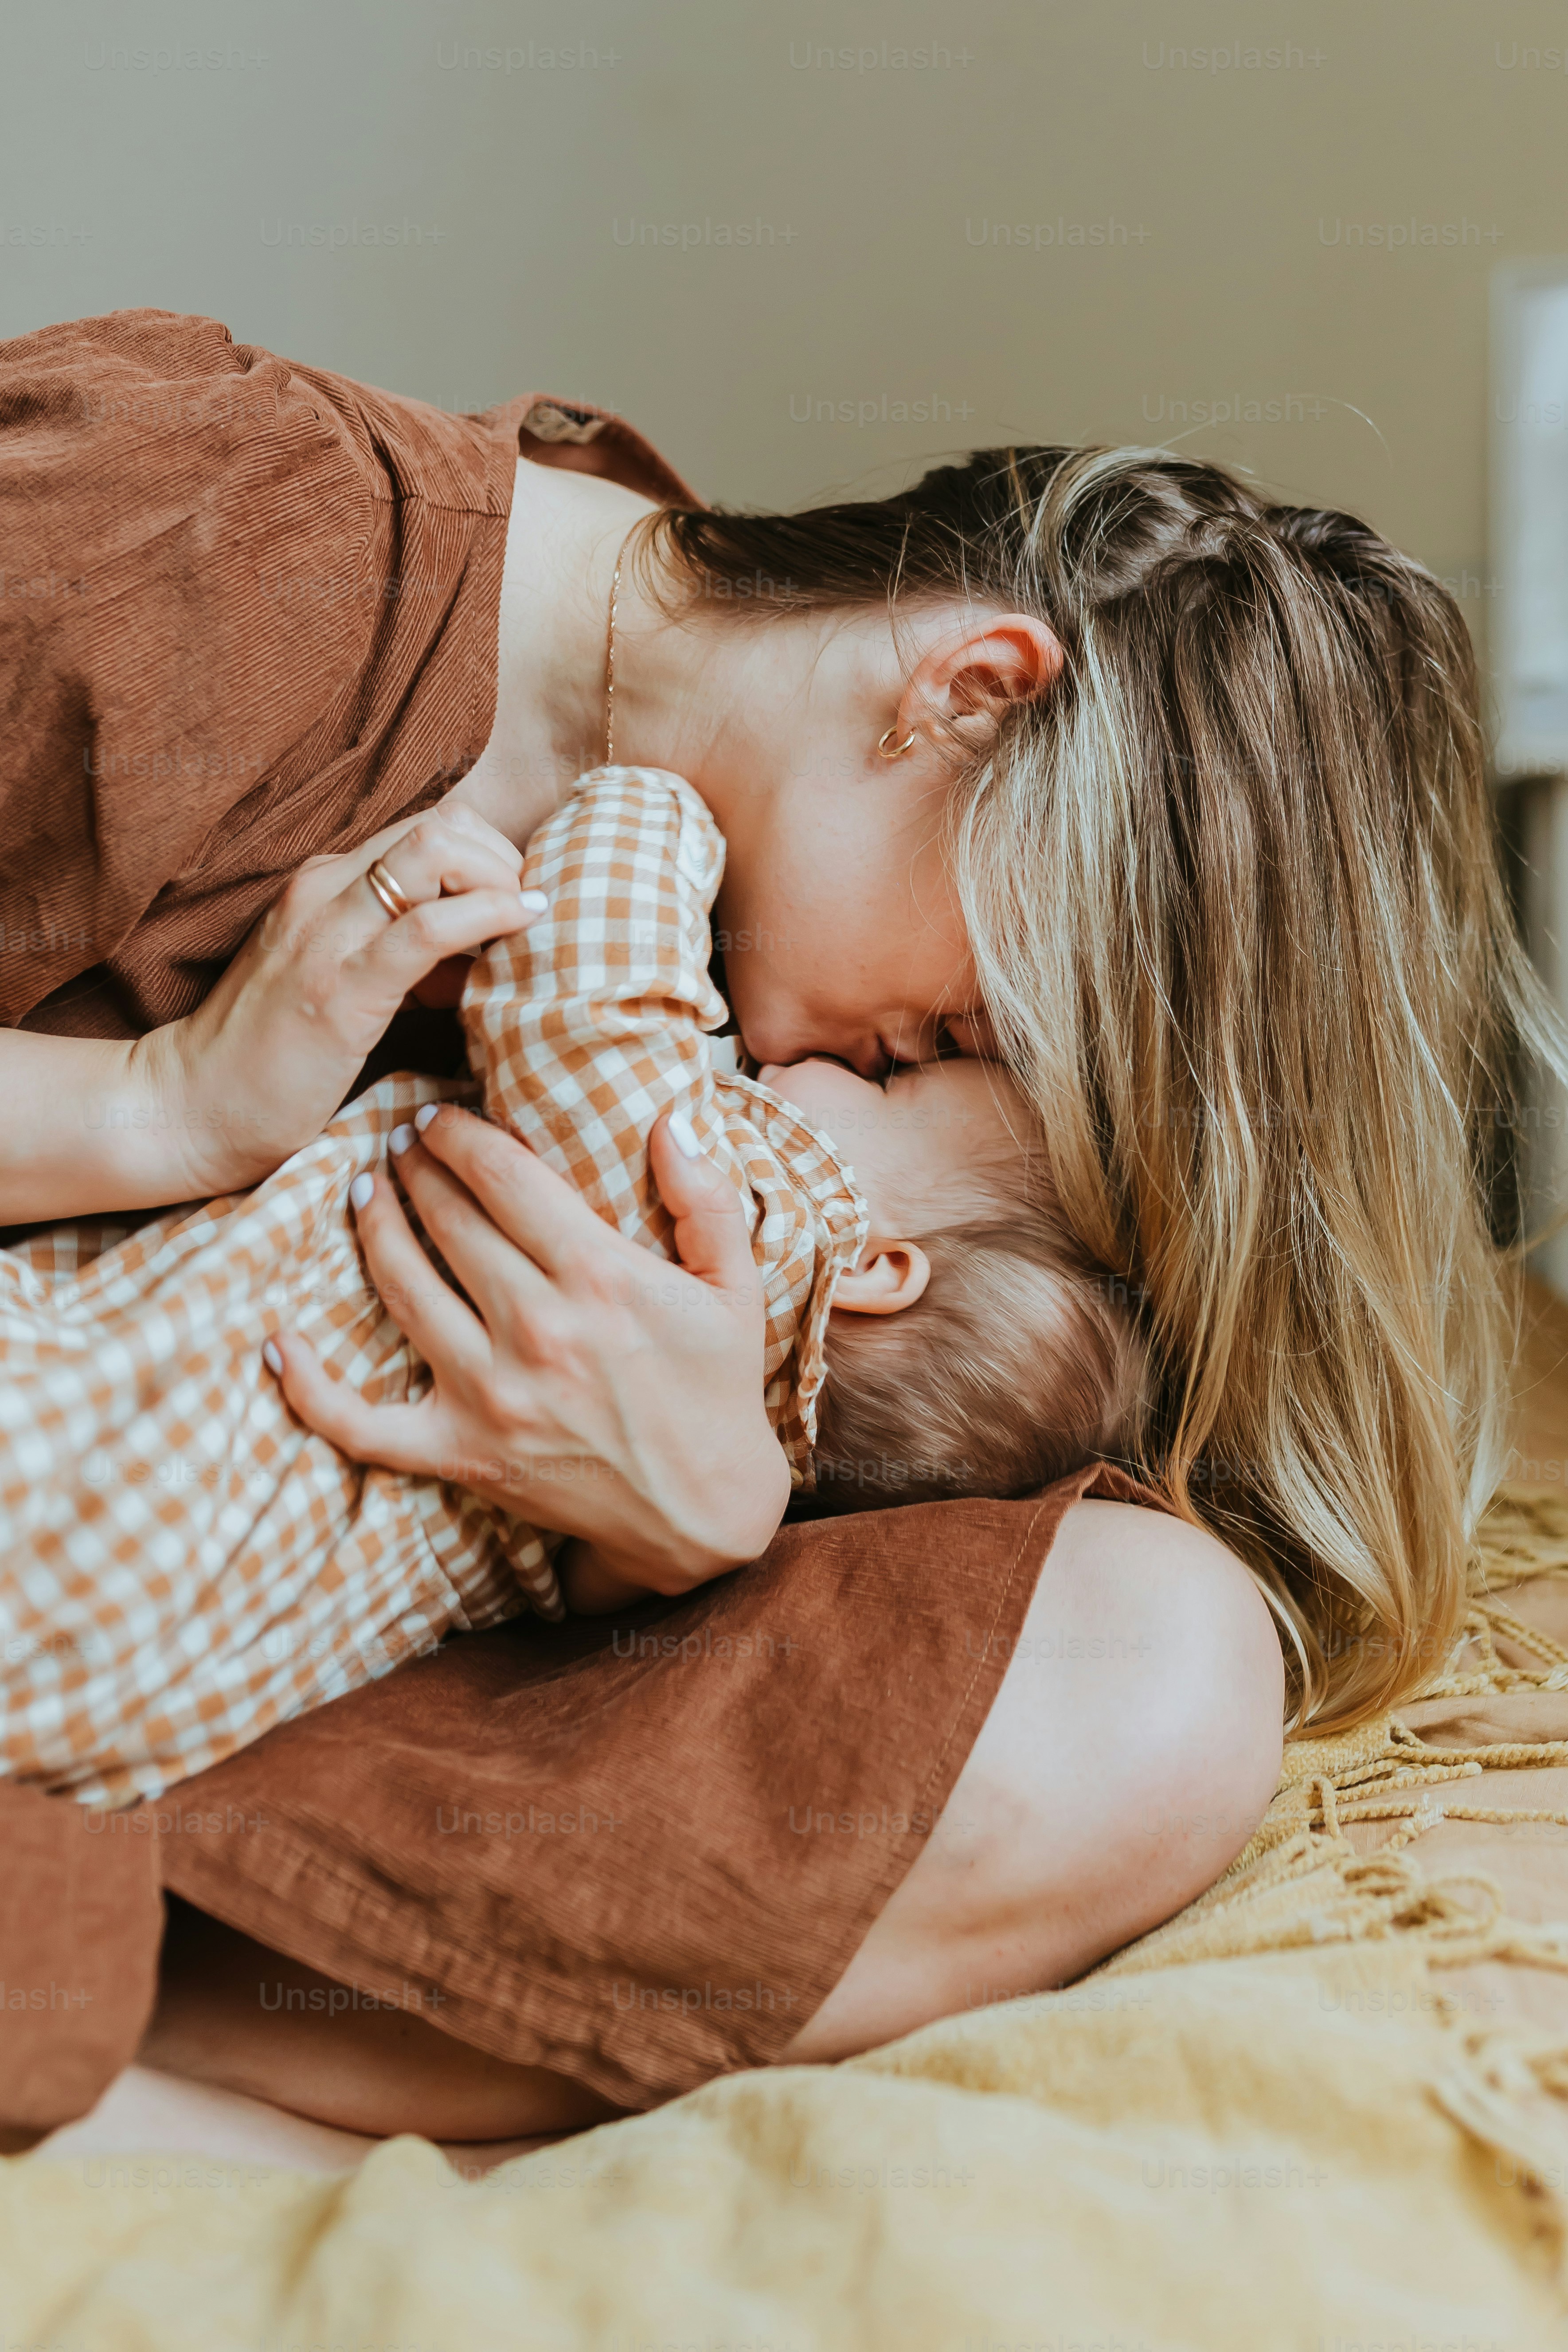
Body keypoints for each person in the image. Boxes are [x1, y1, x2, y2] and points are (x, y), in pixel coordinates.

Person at [1, 309, 1548, 2122]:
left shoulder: (739, 953)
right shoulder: (186, 525)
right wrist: (152, 1108)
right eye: (964, 1036)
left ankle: (143, 1943)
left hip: (225, 1660)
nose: (929, 1090)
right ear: (969, 688)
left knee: (1161, 1668)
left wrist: (668, 1526)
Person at [0, 764, 1141, 1805]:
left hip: (87, 1494)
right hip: (130, 1696)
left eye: (894, 1084)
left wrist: (680, 794)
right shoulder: (633, 1510)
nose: (836, 1058)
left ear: (878, 1267)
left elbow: (581, 997)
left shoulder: (716, 1239)